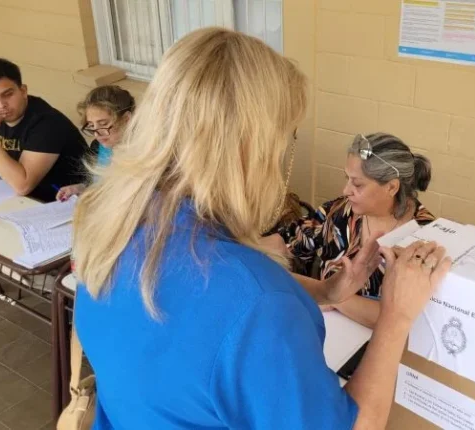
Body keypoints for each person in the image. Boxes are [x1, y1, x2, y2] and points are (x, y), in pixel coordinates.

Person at [72, 28, 451, 429]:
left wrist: (326, 291)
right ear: (253, 148)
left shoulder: (109, 224)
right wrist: (396, 317)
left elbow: (204, 291)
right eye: (286, 137)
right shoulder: (260, 303)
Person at [279, 132, 435, 328]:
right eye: (347, 179)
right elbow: (290, 239)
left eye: (358, 184)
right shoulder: (341, 211)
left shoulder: (424, 238)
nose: (346, 191)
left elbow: (407, 319)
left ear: (391, 187)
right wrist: (247, 247)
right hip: (327, 332)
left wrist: (332, 297)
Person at [0, 58, 87, 202]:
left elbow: (22, 185)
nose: (0, 105)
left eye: (7, 94)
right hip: (24, 202)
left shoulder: (47, 122)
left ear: (23, 91)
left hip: (66, 203)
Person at [56, 85, 135, 201]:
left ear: (126, 119)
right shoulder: (97, 146)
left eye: (103, 124)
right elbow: (98, 185)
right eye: (92, 126)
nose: (97, 133)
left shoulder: (144, 152)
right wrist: (81, 188)